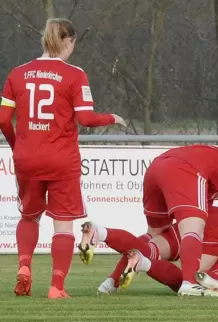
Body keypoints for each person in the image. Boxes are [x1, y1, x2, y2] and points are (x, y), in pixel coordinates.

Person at [0, 18, 126, 299]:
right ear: (68, 42)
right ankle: (57, 287)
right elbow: (85, 118)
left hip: (27, 159)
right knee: (63, 224)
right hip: (61, 161)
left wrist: (16, 145)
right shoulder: (74, 74)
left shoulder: (18, 73)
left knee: (29, 217)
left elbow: (3, 120)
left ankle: (24, 267)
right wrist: (112, 117)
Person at [80, 133, 218, 296]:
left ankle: (105, 253)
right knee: (193, 229)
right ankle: (189, 283)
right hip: (184, 168)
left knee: (154, 235)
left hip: (158, 167)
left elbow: (207, 208)